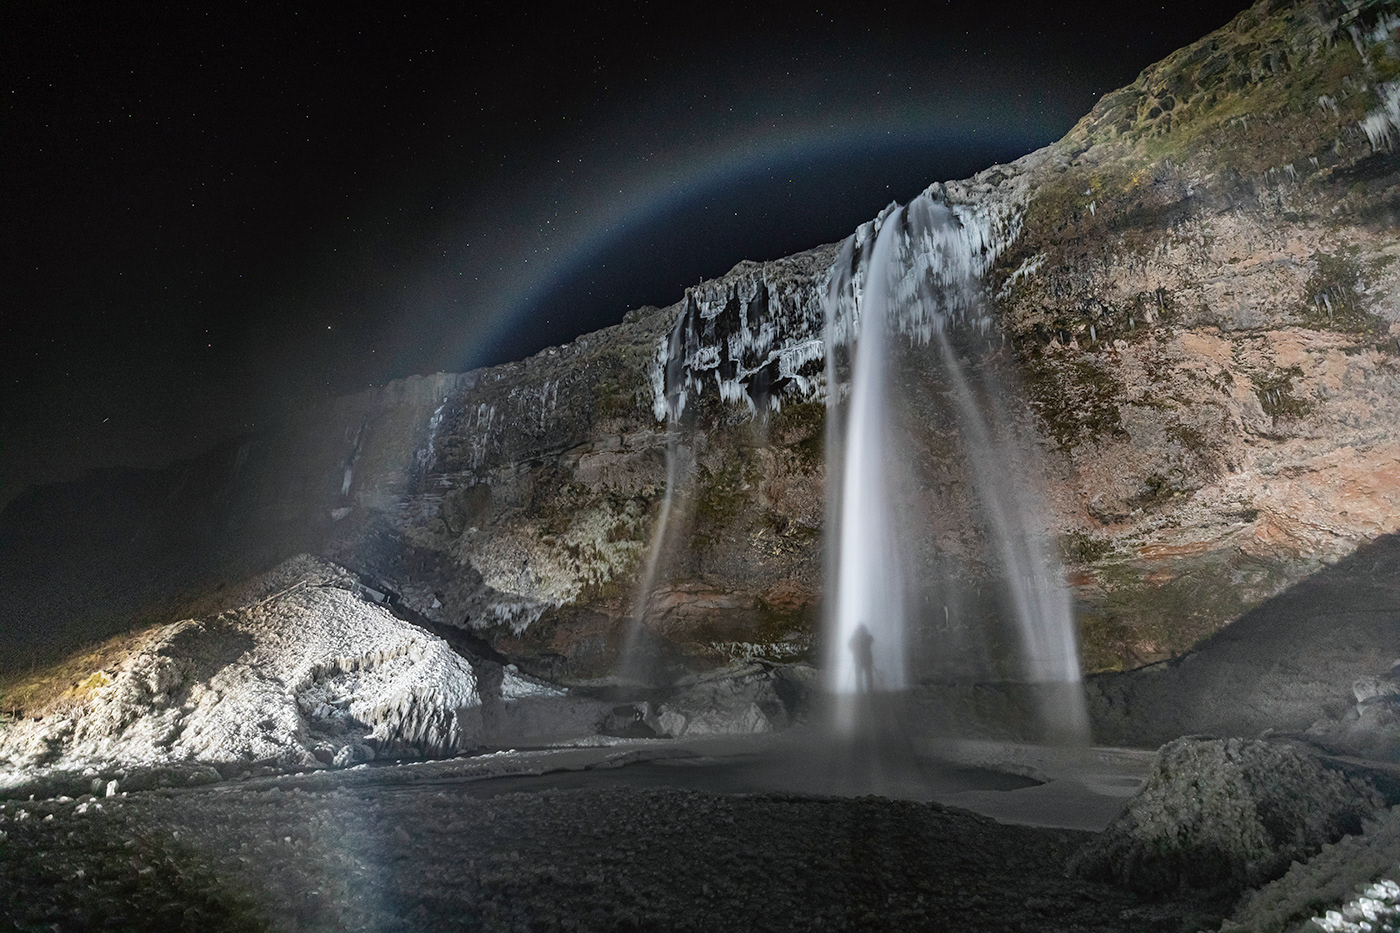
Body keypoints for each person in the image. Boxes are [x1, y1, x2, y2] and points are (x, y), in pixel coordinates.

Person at [849, 622, 875, 693]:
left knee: (862, 675)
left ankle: (863, 690)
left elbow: (850, 645)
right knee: (866, 675)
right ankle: (866, 690)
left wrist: (854, 649)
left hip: (861, 659)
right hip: (863, 659)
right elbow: (871, 640)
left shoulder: (857, 638)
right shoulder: (866, 637)